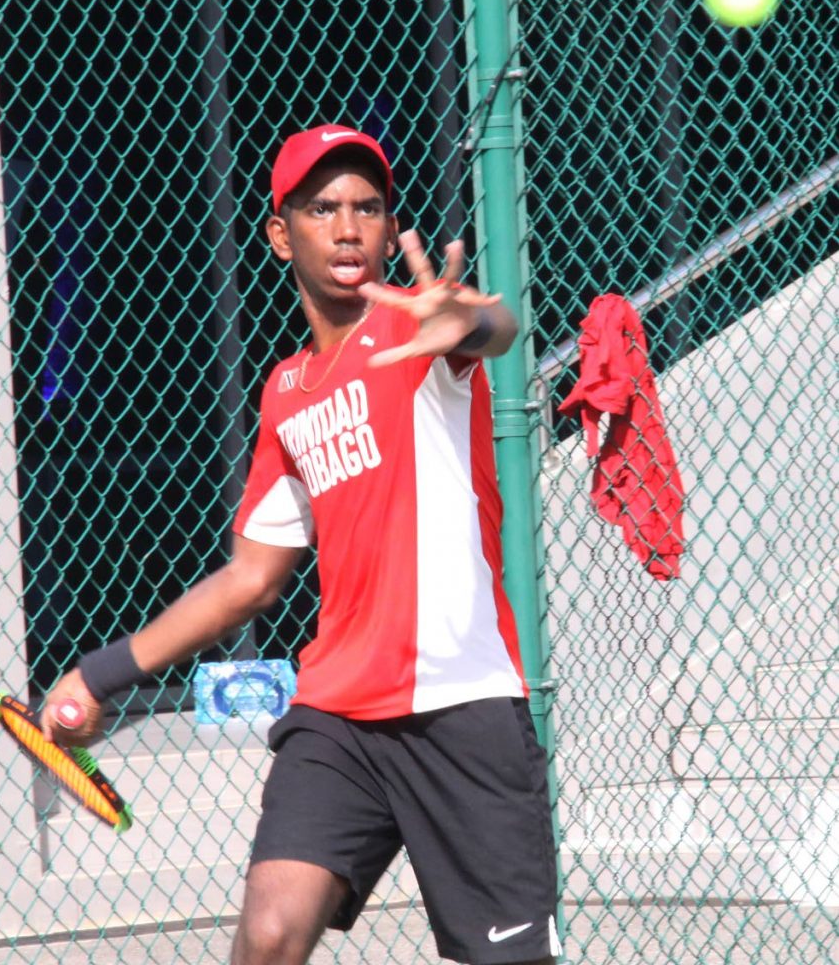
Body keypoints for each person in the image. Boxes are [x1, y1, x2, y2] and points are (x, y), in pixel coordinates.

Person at [43, 124, 562, 965]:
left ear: (393, 231)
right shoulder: (286, 393)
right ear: (282, 233)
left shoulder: (413, 334)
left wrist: (468, 318)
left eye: (368, 208)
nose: (350, 226)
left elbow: (491, 325)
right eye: (323, 209)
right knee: (272, 931)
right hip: (340, 717)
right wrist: (101, 674)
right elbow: (250, 579)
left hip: (463, 711)